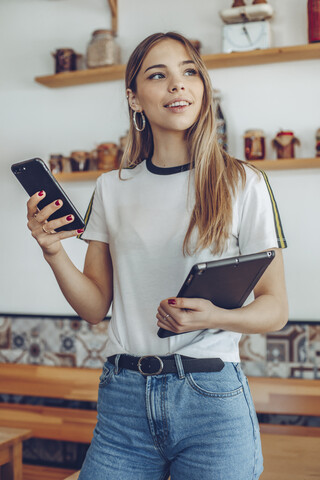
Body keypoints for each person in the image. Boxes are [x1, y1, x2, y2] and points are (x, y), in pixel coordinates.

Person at [26, 32, 288, 480]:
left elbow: (275, 309)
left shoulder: (245, 183)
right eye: (158, 75)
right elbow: (94, 307)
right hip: (123, 399)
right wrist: (53, 251)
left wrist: (211, 317)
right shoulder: (113, 188)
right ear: (134, 98)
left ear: (203, 90)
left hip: (211, 398)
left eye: (189, 72)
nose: (177, 85)